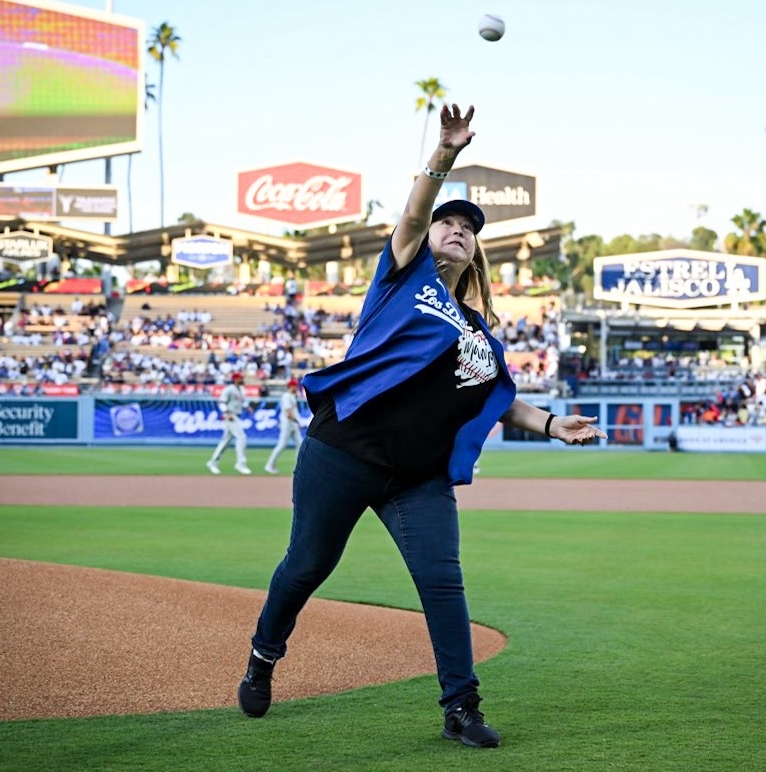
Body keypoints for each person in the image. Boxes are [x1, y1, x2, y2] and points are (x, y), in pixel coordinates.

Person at [236, 104, 605, 748]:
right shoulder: (402, 278)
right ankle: (264, 655)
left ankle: (461, 708)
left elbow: (495, 397)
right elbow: (411, 215)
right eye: (448, 223)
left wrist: (550, 423)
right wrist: (445, 157)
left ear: (477, 249)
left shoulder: (480, 332)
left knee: (442, 581)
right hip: (345, 448)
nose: (457, 230)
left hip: (417, 476)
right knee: (307, 565)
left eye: (467, 227)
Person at [207, 372, 251, 475]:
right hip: (230, 416)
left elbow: (242, 402)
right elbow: (222, 402)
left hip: (236, 416)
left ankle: (213, 462)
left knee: (225, 442)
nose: (242, 379)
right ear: (235, 379)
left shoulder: (241, 389)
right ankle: (241, 463)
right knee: (242, 437)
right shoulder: (229, 389)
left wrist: (247, 407)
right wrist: (226, 412)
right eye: (240, 378)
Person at [264, 378, 303, 474]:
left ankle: (299, 467)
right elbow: (288, 413)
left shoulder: (292, 396)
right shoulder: (286, 396)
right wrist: (298, 422)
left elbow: (293, 411)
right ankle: (269, 465)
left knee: (300, 445)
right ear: (290, 386)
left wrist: (297, 422)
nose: (296, 387)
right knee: (281, 445)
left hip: (293, 424)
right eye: (295, 386)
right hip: (287, 424)